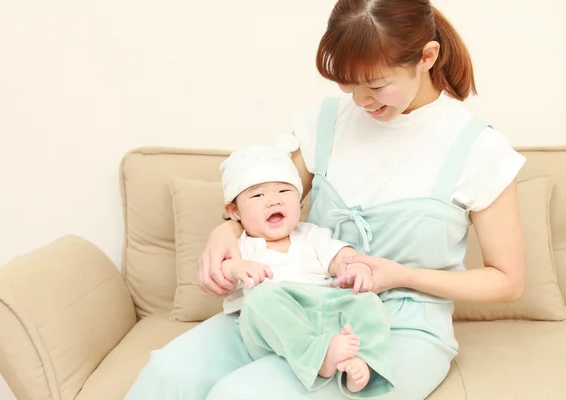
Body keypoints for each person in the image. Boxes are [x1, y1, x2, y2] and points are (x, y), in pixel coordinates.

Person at [124, 0, 526, 399]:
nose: (363, 102)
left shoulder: (478, 149)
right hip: (294, 307)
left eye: (376, 85)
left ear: (427, 56)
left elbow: (508, 282)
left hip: (395, 330)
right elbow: (269, 199)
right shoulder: (327, 122)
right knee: (166, 376)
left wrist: (401, 275)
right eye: (349, 87)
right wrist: (224, 231)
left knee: (243, 394)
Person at [218, 143, 394, 397]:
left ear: (299, 201)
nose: (274, 200)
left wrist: (354, 267)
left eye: (284, 191)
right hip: (279, 327)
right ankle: (319, 356)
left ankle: (362, 363)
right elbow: (223, 272)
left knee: (367, 301)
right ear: (234, 210)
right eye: (258, 196)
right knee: (260, 298)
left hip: (324, 310)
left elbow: (338, 257)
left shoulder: (310, 234)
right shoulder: (241, 247)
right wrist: (237, 267)